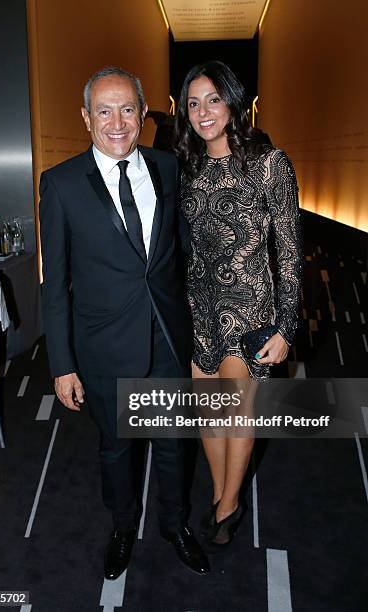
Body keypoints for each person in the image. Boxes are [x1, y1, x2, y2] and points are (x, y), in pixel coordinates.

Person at [39, 66, 210, 579]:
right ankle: (121, 526)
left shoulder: (166, 167)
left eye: (128, 109)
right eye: (105, 111)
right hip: (103, 345)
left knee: (173, 443)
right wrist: (62, 364)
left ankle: (174, 524)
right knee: (116, 450)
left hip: (165, 337)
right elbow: (55, 283)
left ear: (142, 113)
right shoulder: (62, 184)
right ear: (87, 118)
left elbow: (178, 252)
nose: (118, 122)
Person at [174, 61, 302, 552]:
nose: (203, 112)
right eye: (193, 102)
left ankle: (227, 506)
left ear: (233, 102)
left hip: (250, 306)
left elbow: (289, 251)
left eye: (213, 99)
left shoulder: (269, 163)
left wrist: (286, 326)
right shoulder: (189, 168)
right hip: (199, 306)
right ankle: (221, 493)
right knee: (208, 413)